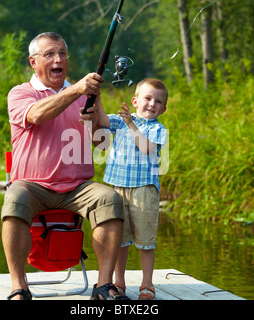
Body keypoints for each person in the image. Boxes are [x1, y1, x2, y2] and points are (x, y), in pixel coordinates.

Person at [1, 32, 129, 300]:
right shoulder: (21, 93)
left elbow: (102, 145)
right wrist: (76, 90)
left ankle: (103, 286)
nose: (58, 59)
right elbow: (36, 114)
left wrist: (97, 120)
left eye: (62, 53)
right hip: (32, 185)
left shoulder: (86, 95)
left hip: (78, 187)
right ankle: (19, 288)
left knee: (109, 199)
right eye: (49, 54)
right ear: (33, 62)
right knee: (14, 200)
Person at [96, 78, 168, 300]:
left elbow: (146, 148)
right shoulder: (121, 121)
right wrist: (96, 94)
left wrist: (130, 124)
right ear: (136, 101)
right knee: (121, 240)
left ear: (163, 109)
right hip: (118, 189)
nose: (151, 104)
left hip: (143, 190)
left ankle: (147, 284)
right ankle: (119, 282)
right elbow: (101, 119)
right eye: (147, 98)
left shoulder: (158, 129)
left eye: (158, 101)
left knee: (145, 241)